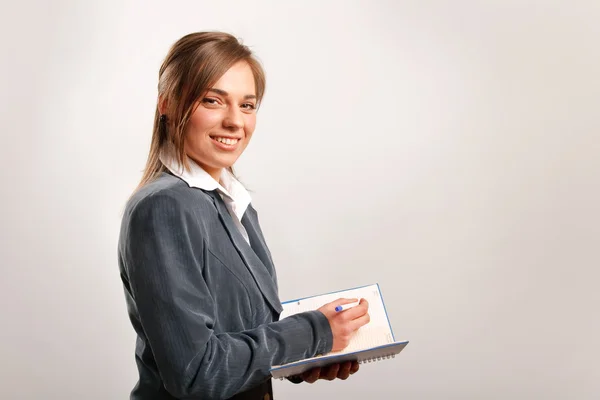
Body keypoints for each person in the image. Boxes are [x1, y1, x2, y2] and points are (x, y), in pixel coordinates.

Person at [118, 31, 370, 400]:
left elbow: (246, 335)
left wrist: (309, 355)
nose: (236, 122)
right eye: (213, 100)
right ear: (167, 104)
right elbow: (196, 374)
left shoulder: (234, 202)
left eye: (247, 105)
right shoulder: (164, 207)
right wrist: (313, 332)